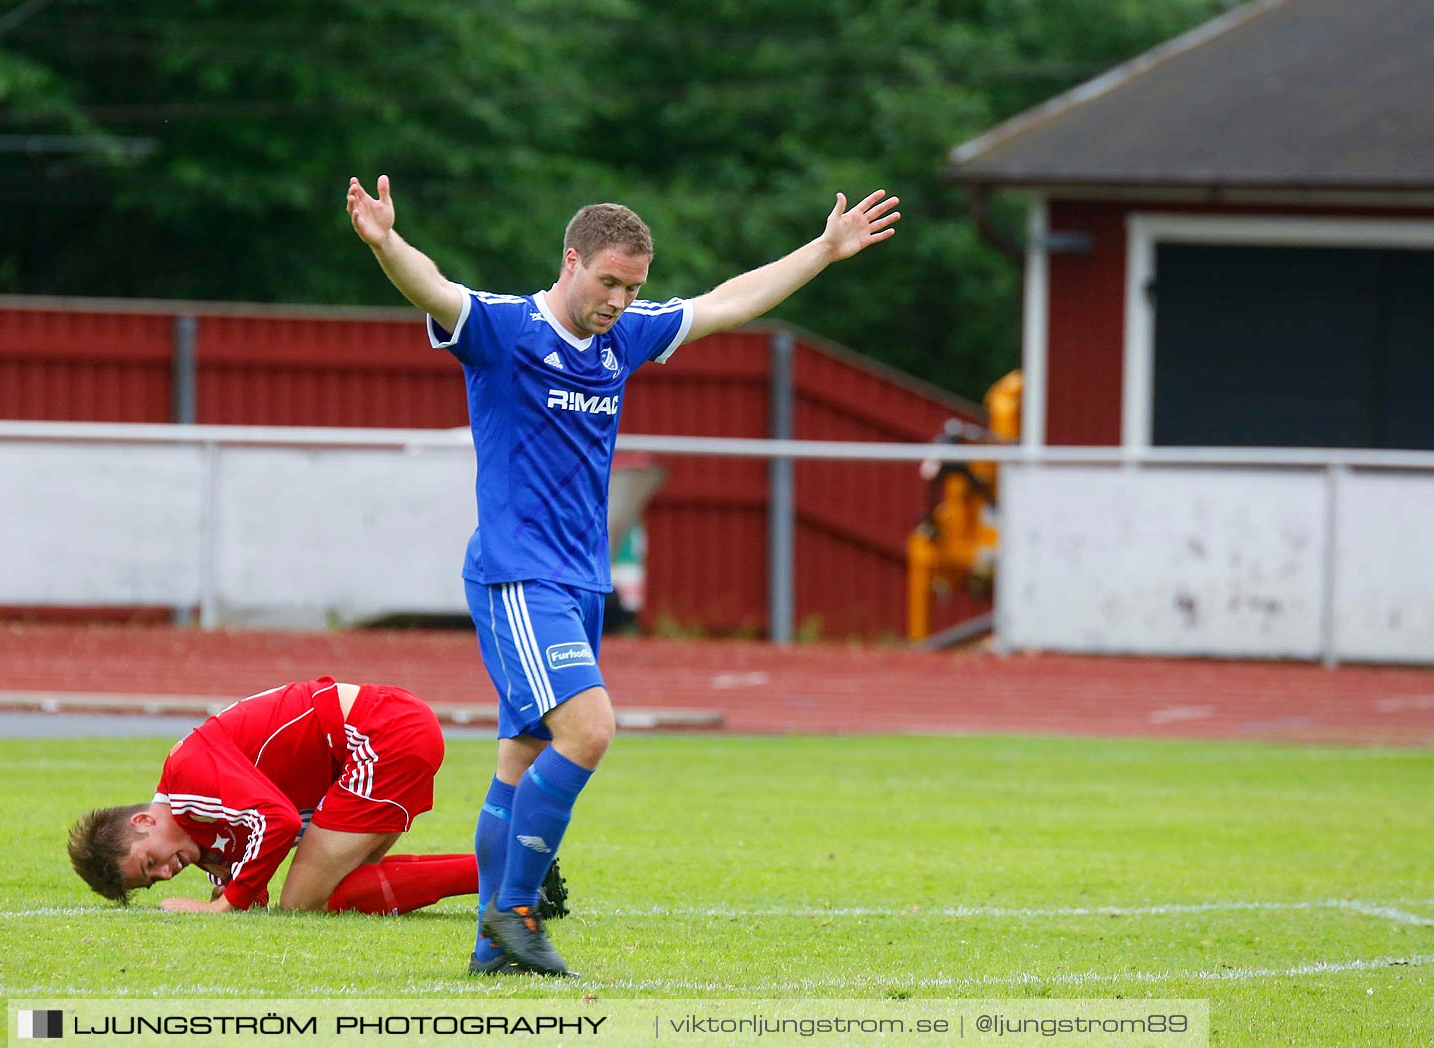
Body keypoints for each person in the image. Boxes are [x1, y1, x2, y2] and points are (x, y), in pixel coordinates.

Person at [345, 175, 899, 975]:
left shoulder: (623, 337)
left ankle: (490, 955)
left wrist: (824, 247)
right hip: (517, 575)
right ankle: (513, 911)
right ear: (571, 261)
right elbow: (432, 287)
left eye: (631, 287)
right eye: (608, 282)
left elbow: (726, 303)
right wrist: (386, 242)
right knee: (590, 730)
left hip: (579, 582)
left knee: (522, 759)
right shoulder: (503, 329)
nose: (618, 300)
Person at [67, 677, 568, 926]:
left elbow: (278, 821)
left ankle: (514, 877)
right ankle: (521, 877)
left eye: (149, 861)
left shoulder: (186, 775)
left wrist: (219, 906)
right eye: (153, 879)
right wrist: (227, 886)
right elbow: (253, 888)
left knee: (303, 900)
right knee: (340, 891)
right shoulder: (198, 826)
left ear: (144, 819)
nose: (165, 873)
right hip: (381, 739)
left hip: (378, 735)